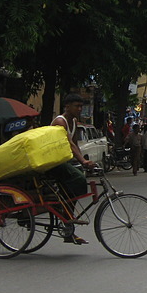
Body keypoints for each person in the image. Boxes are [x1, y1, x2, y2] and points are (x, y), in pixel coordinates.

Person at [50, 93, 96, 245]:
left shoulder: (74, 122)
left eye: (81, 106)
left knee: (75, 188)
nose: (80, 109)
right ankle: (65, 213)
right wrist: (83, 161)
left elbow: (76, 143)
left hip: (65, 161)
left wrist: (84, 161)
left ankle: (68, 224)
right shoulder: (60, 122)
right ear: (67, 107)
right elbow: (69, 143)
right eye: (77, 106)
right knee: (79, 180)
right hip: (54, 162)